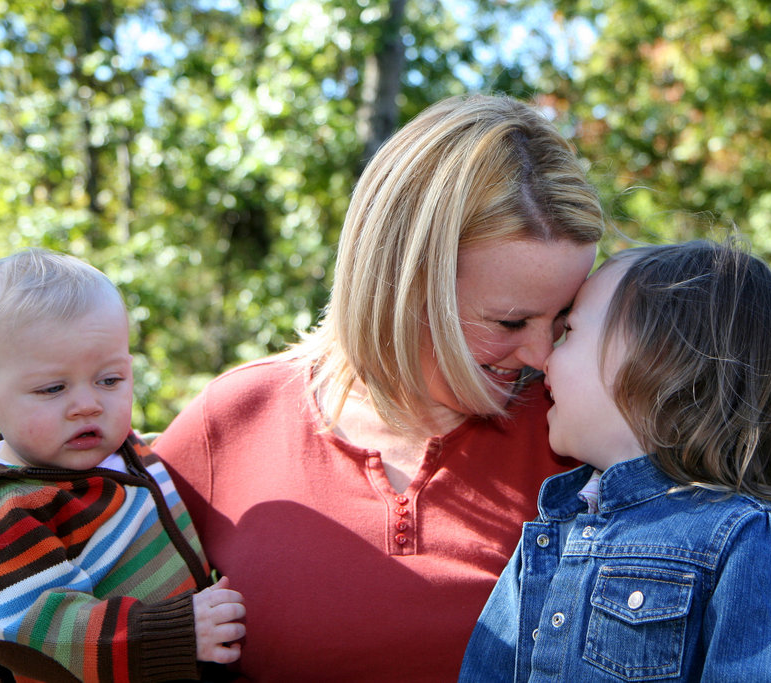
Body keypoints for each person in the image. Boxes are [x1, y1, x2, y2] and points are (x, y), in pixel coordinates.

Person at [153, 93, 605, 681]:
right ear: (403, 284)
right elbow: (70, 616)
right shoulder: (234, 421)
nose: (543, 357)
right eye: (510, 322)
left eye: (564, 317)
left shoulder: (583, 435)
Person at [459, 239, 771, 681]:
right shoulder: (553, 528)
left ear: (658, 360)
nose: (544, 360)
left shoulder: (743, 540)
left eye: (569, 332)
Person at [0, 249, 246, 683]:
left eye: (109, 380)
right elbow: (36, 634)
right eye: (53, 388)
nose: (88, 405)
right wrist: (175, 634)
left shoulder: (121, 450)